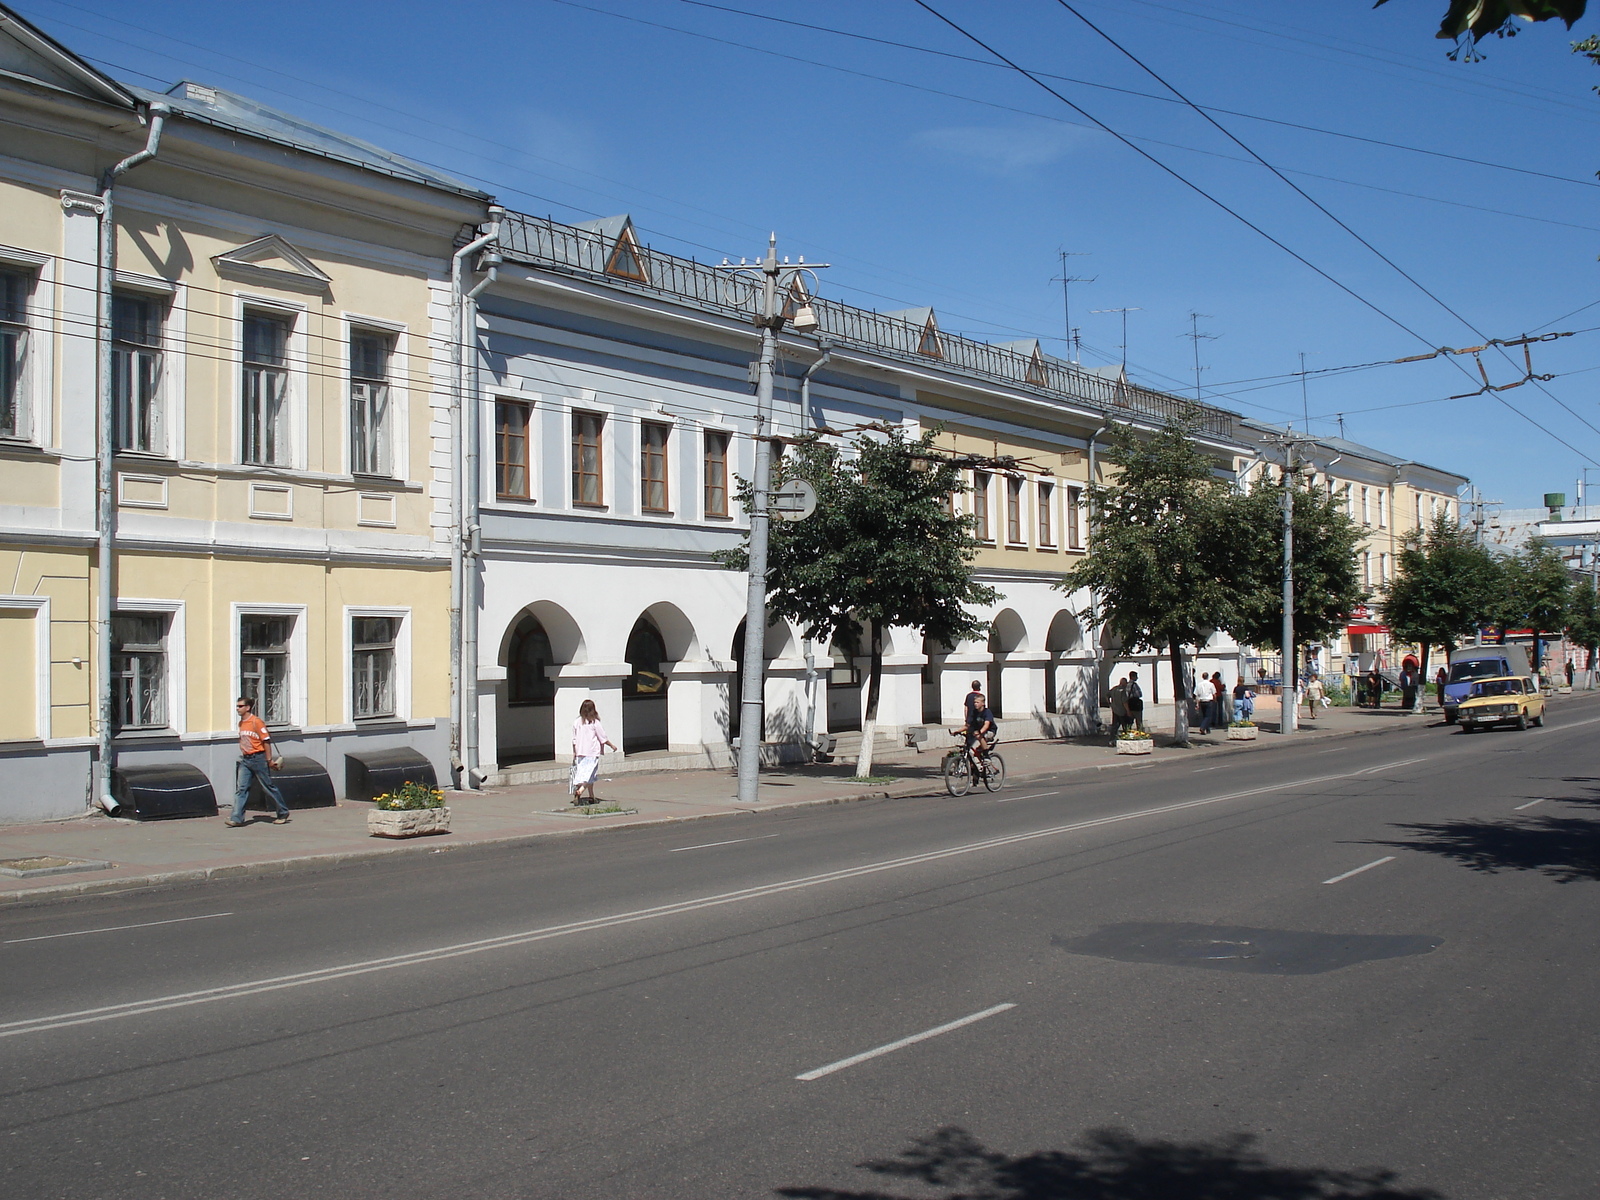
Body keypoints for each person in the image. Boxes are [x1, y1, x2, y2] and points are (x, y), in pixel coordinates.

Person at [227, 695, 289, 827]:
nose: (237, 709)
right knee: (241, 789)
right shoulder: (241, 723)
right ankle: (236, 818)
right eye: (237, 706)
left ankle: (283, 812)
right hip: (246, 759)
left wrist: (269, 760)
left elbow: (266, 741)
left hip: (258, 758)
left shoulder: (256, 722)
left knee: (268, 786)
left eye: (240, 706)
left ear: (248, 707)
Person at [570, 698, 617, 804]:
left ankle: (591, 796)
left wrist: (574, 752)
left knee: (582, 773)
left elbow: (574, 739)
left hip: (580, 752)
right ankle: (580, 791)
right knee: (590, 774)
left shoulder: (577, 722)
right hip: (592, 752)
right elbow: (602, 737)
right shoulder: (594, 722)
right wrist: (612, 745)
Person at [950, 691, 997, 766]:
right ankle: (977, 769)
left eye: (977, 702)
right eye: (974, 702)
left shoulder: (987, 712)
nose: (975, 704)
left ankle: (987, 757)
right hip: (978, 732)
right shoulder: (974, 713)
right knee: (971, 750)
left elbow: (986, 725)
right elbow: (967, 725)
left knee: (979, 736)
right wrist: (956, 731)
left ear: (983, 703)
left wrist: (980, 732)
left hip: (989, 731)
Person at [1108, 676, 1129, 743]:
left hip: (1115, 710)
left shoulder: (1114, 689)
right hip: (1122, 711)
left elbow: (1107, 695)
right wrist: (1128, 711)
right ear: (1124, 683)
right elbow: (1124, 702)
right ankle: (1126, 739)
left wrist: (1110, 703)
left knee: (1114, 726)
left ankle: (1112, 740)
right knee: (1125, 726)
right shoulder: (1123, 691)